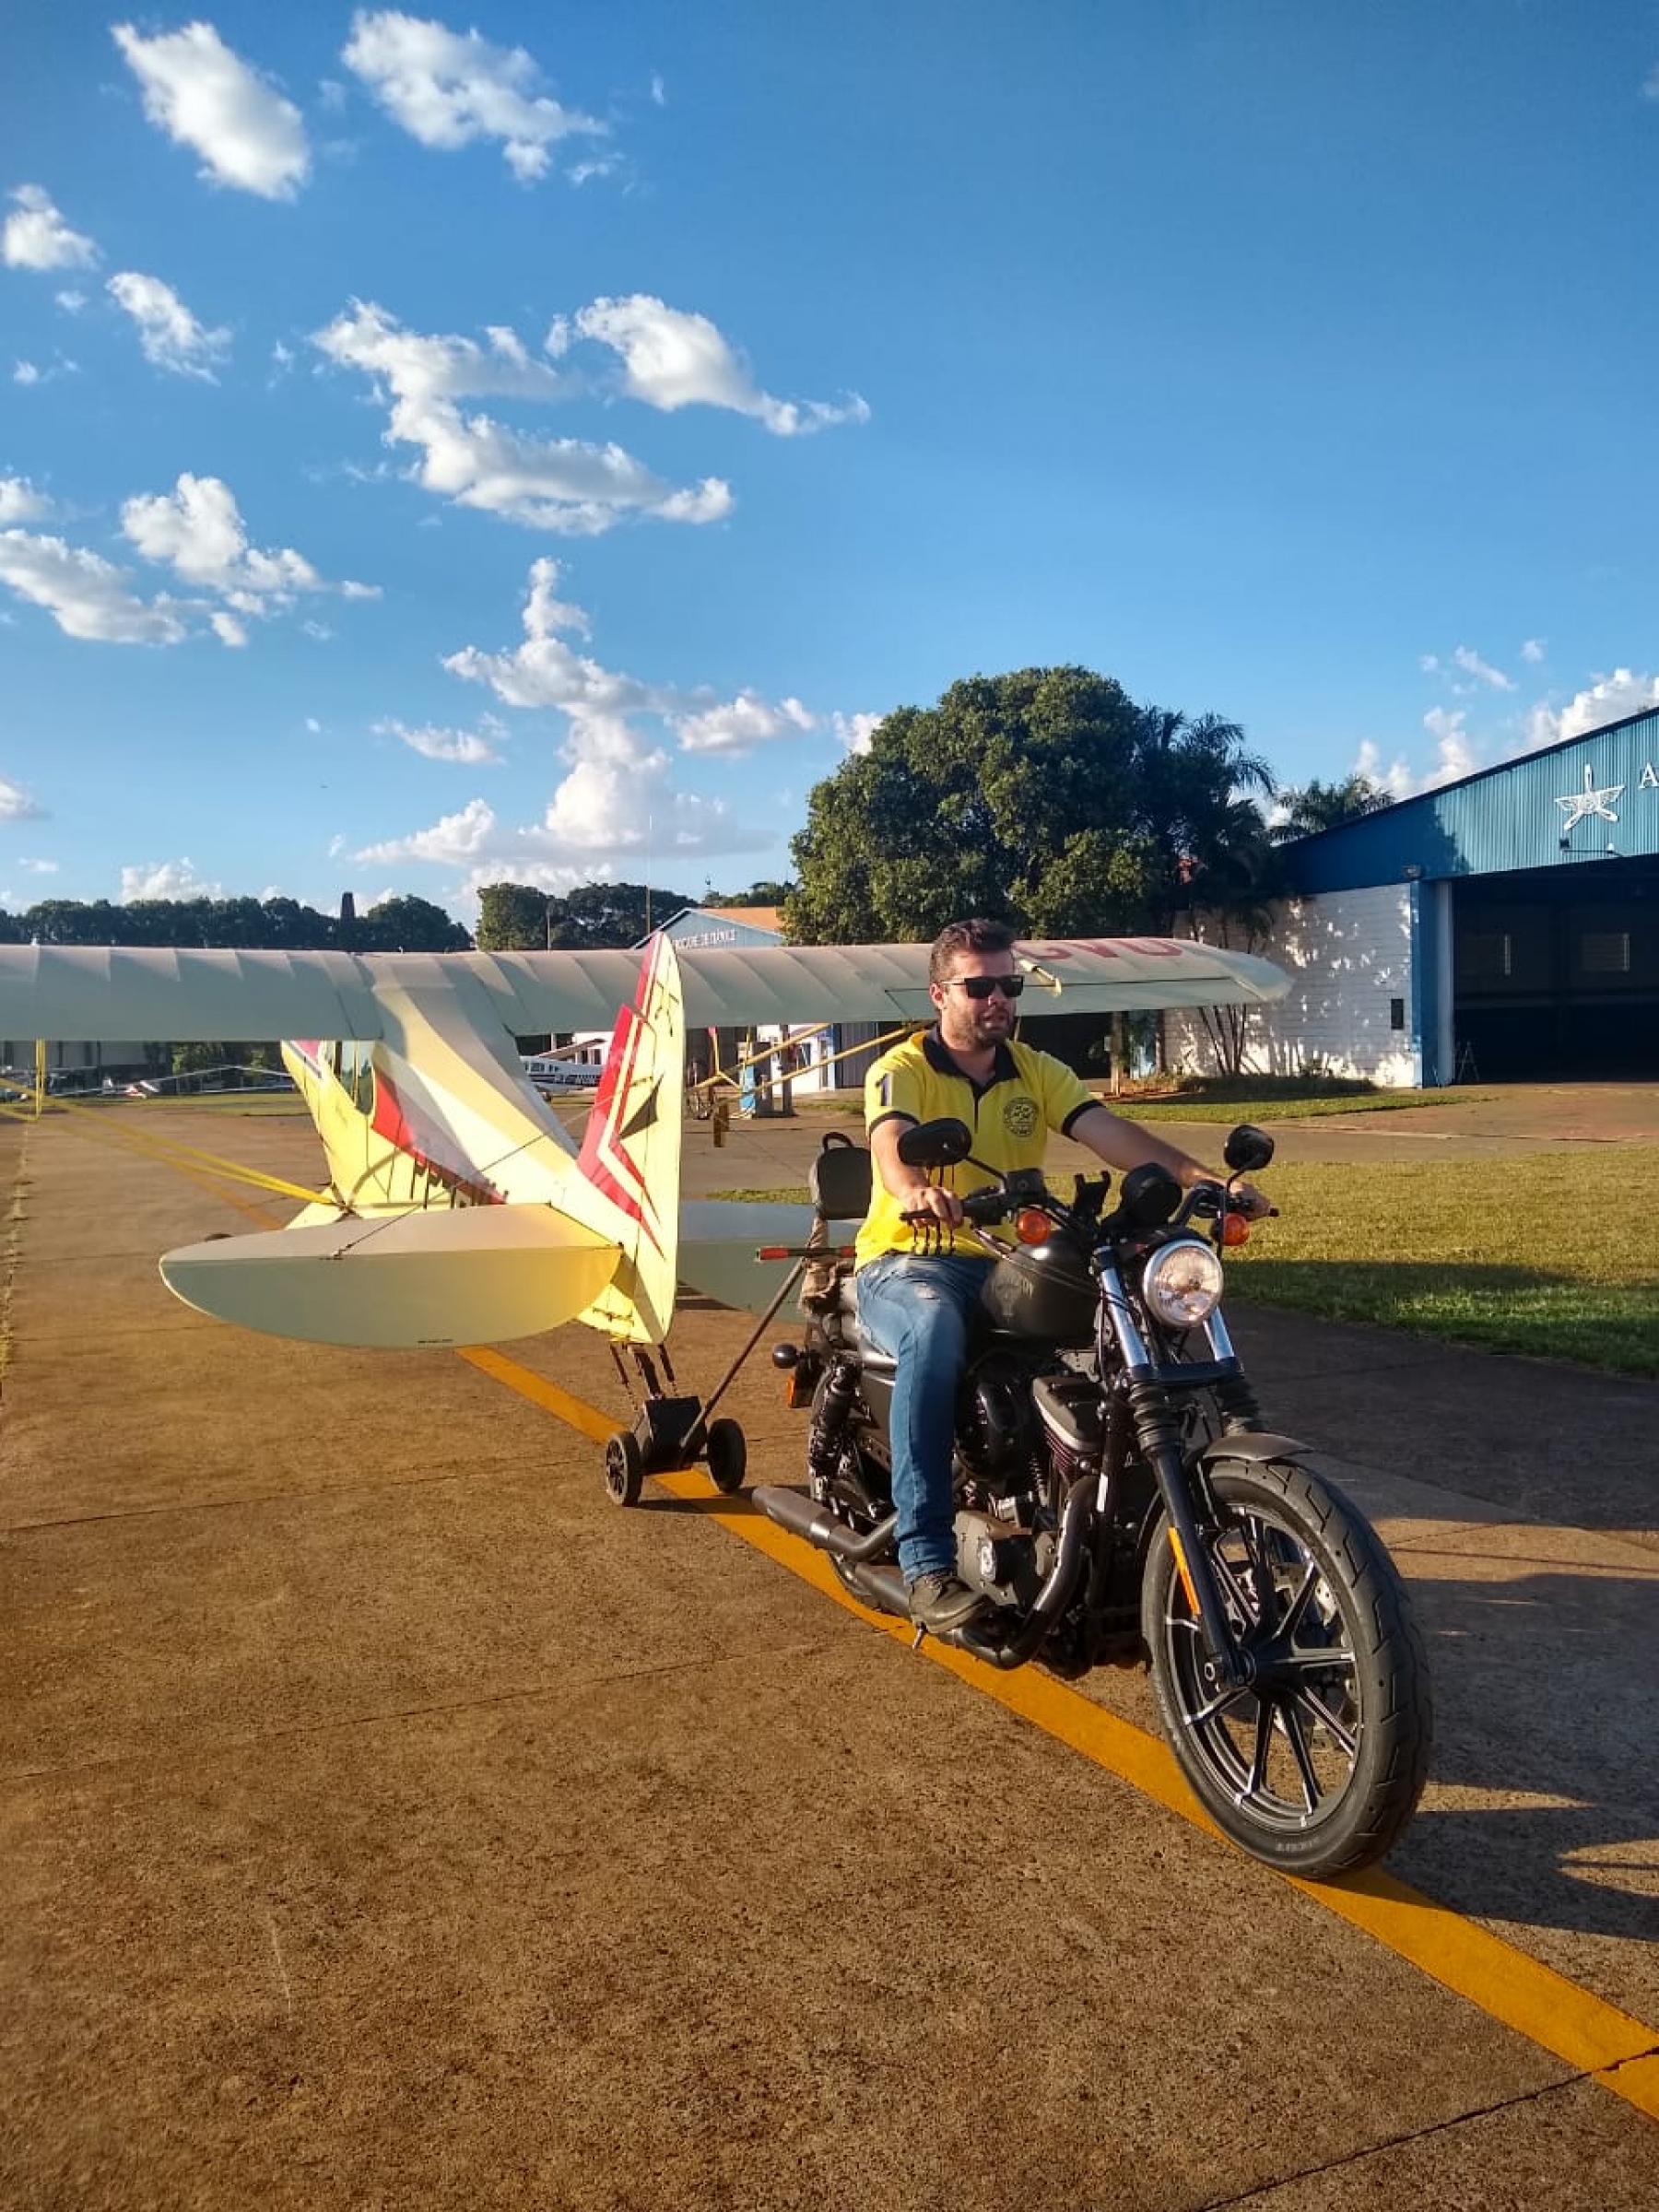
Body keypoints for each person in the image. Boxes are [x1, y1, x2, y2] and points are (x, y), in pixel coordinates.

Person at [853, 917, 1270, 1634]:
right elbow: (892, 1143)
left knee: (1118, 1327)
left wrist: (1204, 1181)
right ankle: (925, 1561)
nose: (997, 999)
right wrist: (915, 1189)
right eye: (978, 987)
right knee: (934, 1330)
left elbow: (1114, 1134)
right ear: (939, 994)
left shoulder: (1034, 1069)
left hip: (1009, 1259)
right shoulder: (902, 1069)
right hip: (912, 1258)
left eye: (1008, 985)